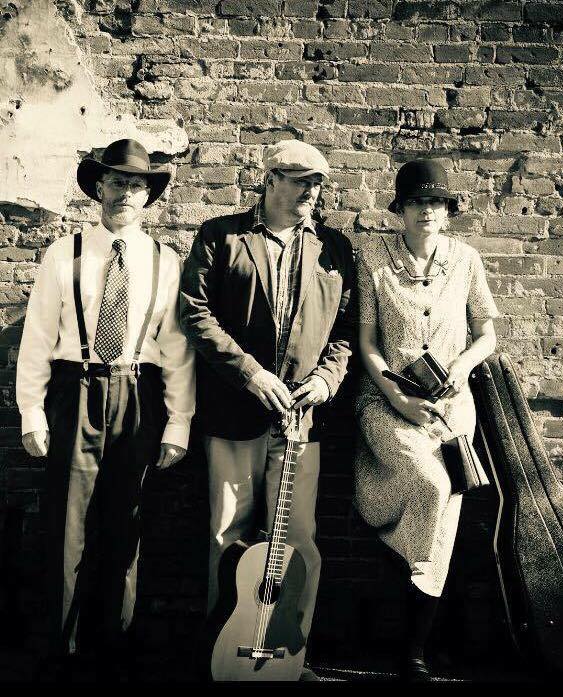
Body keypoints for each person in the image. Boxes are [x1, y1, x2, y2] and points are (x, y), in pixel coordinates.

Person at [16, 138, 196, 677]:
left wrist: (179, 423)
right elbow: (37, 337)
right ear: (99, 188)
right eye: (116, 182)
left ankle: (113, 647)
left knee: (126, 524)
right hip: (75, 390)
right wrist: (31, 412)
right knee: (67, 524)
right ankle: (60, 648)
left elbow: (177, 348)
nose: (125, 194)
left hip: (136, 394)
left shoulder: (165, 261)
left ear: (149, 197)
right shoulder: (64, 252)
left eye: (136, 185)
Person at [179, 139, 355, 680]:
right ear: (270, 178)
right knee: (227, 538)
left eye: (318, 183)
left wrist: (327, 378)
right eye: (300, 181)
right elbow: (196, 314)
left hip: (302, 419)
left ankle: (291, 653)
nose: (311, 193)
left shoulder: (334, 248)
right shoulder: (221, 236)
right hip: (233, 415)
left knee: (300, 541)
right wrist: (251, 373)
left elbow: (346, 330)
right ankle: (224, 653)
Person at [353, 159, 499, 681]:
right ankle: (408, 615)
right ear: (401, 209)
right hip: (386, 401)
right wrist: (394, 395)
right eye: (417, 203)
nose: (427, 212)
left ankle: (412, 650)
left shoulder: (467, 260)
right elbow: (367, 341)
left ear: (448, 211)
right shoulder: (374, 256)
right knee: (432, 489)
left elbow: (487, 333)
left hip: (451, 409)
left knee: (446, 518)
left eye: (436, 204)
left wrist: (461, 366)